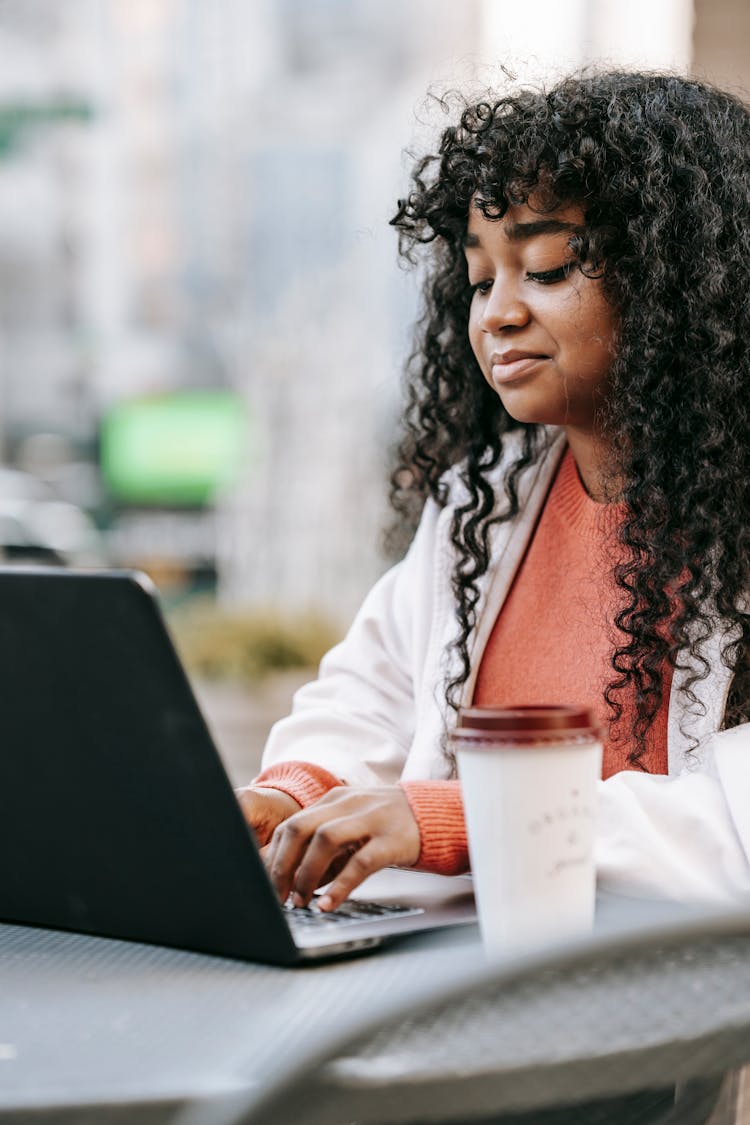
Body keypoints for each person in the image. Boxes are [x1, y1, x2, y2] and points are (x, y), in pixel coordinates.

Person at [237, 69, 750, 914]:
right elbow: (373, 692)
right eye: (481, 280)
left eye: (546, 268)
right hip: (476, 993)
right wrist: (292, 794)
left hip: (678, 1020)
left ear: (680, 281)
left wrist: (464, 817)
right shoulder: (485, 502)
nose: (497, 315)